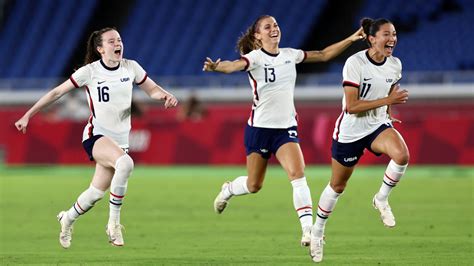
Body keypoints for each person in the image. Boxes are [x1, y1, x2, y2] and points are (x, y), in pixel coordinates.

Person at [203, 15, 365, 247]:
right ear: (257, 36)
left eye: (276, 25)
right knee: (254, 185)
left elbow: (323, 54)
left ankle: (308, 230)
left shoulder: (290, 55)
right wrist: (217, 67)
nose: (274, 29)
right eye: (267, 27)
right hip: (259, 130)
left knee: (298, 176)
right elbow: (233, 66)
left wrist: (351, 38)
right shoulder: (255, 58)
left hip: (285, 129)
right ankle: (228, 189)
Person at [14, 27, 178, 249]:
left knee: (95, 194)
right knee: (126, 163)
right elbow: (56, 93)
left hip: (120, 141)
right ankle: (113, 224)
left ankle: (67, 219)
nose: (117, 44)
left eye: (119, 40)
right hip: (96, 135)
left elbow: (152, 90)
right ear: (100, 49)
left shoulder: (131, 67)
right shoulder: (89, 72)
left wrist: (165, 96)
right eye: (111, 41)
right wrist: (28, 115)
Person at [309, 18, 409, 263]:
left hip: (376, 126)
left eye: (394, 34)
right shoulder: (355, 63)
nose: (392, 38)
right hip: (350, 132)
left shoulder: (395, 65)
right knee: (337, 186)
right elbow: (352, 106)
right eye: (386, 34)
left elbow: (387, 93)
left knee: (402, 155)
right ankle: (317, 231)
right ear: (371, 38)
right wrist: (387, 103)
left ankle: (381, 199)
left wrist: (387, 114)